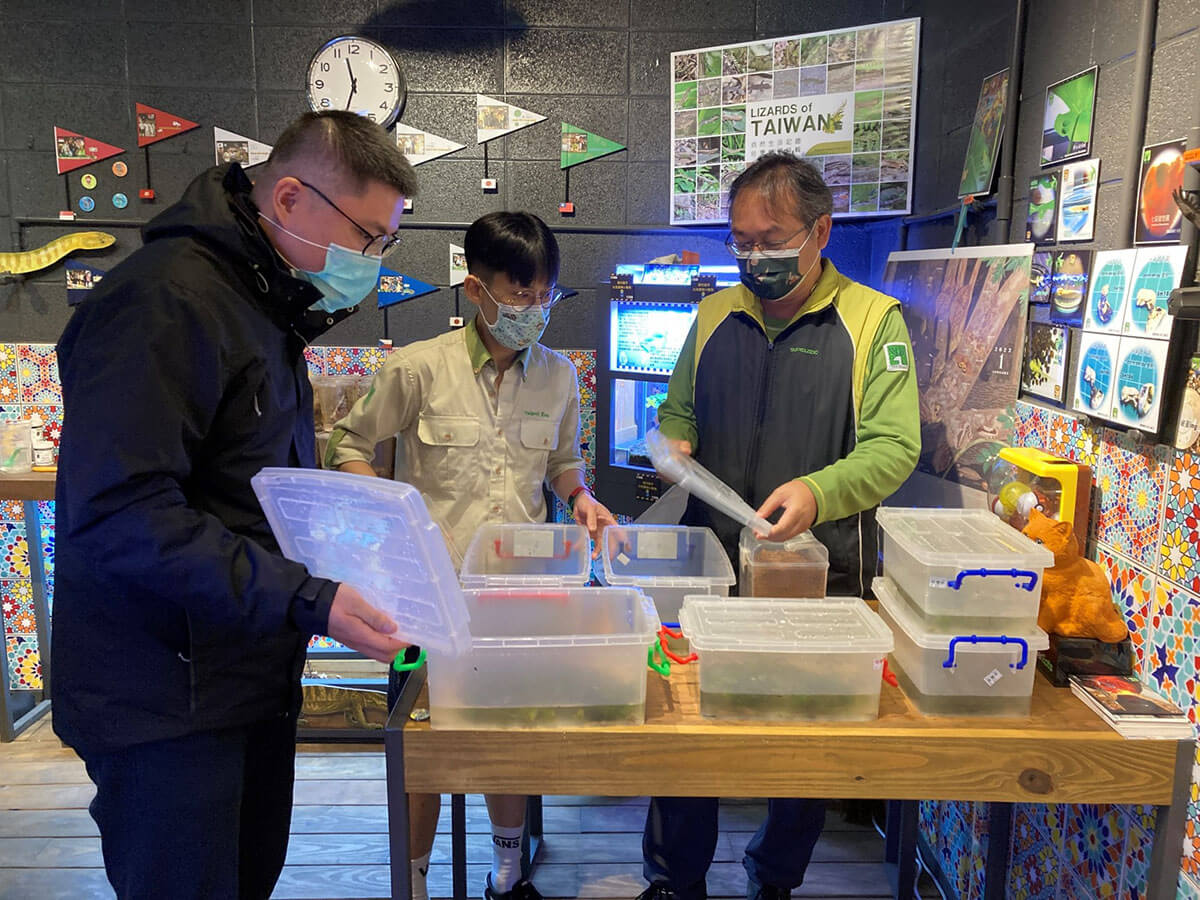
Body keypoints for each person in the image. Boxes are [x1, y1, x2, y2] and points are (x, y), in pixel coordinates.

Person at [52, 110, 419, 900]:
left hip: (243, 677)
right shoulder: (164, 300)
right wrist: (309, 597)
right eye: (368, 238)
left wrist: (342, 553)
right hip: (165, 700)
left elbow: (246, 493)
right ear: (288, 198)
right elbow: (122, 514)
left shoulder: (262, 305)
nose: (371, 264)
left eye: (385, 244)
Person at [639, 151, 920, 900]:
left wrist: (818, 492)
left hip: (816, 573)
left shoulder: (872, 322)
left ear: (819, 231)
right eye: (741, 241)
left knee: (806, 744)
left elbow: (895, 447)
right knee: (687, 735)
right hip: (710, 568)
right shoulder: (714, 314)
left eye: (771, 240)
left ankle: (774, 878)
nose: (753, 257)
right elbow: (677, 411)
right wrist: (674, 442)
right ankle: (674, 879)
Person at [327, 210, 616, 900]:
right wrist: (391, 516)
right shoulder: (417, 368)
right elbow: (348, 445)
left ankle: (508, 873)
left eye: (544, 295)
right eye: (519, 294)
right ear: (476, 288)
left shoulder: (559, 377)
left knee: (505, 733)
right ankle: (415, 881)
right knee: (420, 742)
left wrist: (581, 498)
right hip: (422, 596)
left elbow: (563, 463)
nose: (533, 309)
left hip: (518, 593)